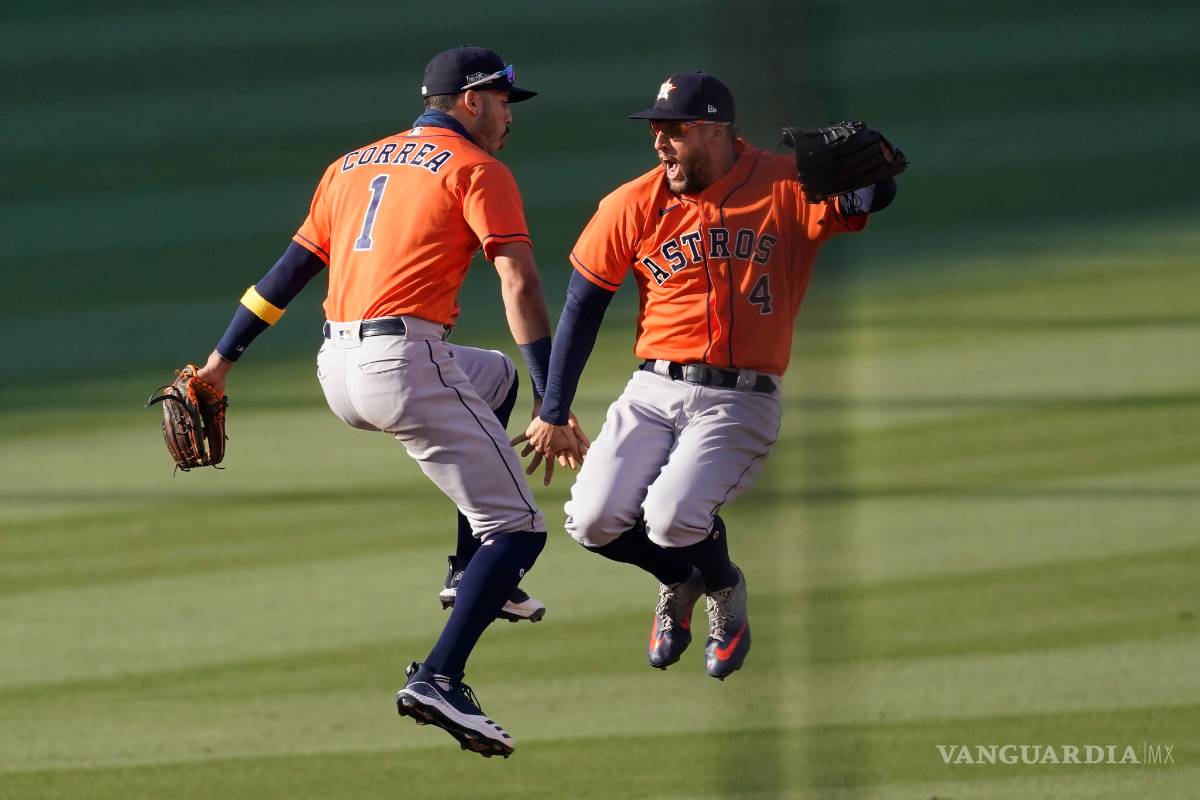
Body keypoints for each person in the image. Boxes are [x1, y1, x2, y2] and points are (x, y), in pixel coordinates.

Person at [189, 46, 584, 758]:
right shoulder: (477, 170)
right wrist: (556, 401)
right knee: (521, 532)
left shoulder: (350, 165)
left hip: (337, 367)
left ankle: (467, 571)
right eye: (501, 102)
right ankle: (439, 676)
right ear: (469, 101)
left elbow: (288, 272)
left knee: (493, 377)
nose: (506, 117)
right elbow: (520, 285)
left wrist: (221, 361)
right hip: (404, 362)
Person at [516, 71, 900, 680]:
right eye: (655, 131)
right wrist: (553, 407)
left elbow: (867, 198)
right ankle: (682, 582)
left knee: (670, 518)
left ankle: (726, 593)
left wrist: (875, 167)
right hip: (653, 390)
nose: (660, 144)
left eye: (674, 130)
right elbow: (582, 305)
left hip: (739, 399)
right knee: (590, 519)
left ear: (718, 131)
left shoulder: (784, 183)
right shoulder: (634, 203)